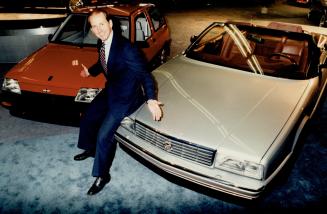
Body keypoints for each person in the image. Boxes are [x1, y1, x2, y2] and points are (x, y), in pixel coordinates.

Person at [72, 9, 163, 195]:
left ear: (111, 24)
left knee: (104, 135)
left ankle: (102, 175)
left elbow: (145, 75)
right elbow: (102, 62)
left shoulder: (127, 49)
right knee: (89, 116)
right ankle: (92, 149)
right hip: (112, 89)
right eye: (94, 26)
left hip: (126, 97)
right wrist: (90, 72)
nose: (98, 30)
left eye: (102, 24)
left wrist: (151, 99)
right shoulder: (101, 43)